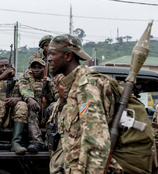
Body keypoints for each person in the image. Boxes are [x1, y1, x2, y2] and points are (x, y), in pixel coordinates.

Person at [47, 34, 116, 173]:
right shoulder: (72, 84)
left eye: (52, 54)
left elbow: (95, 139)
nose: (48, 59)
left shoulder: (86, 84)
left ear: (67, 56)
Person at [19, 58, 55, 153]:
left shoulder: (51, 78)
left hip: (47, 112)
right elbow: (24, 89)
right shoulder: (26, 78)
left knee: (55, 106)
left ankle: (49, 141)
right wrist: (30, 99)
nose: (36, 70)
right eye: (34, 67)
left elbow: (55, 97)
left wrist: (48, 86)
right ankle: (36, 141)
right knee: (31, 108)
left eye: (39, 67)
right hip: (34, 112)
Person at [47, 74, 66, 174]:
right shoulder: (56, 105)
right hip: (56, 151)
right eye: (64, 85)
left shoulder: (79, 105)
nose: (67, 88)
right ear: (56, 88)